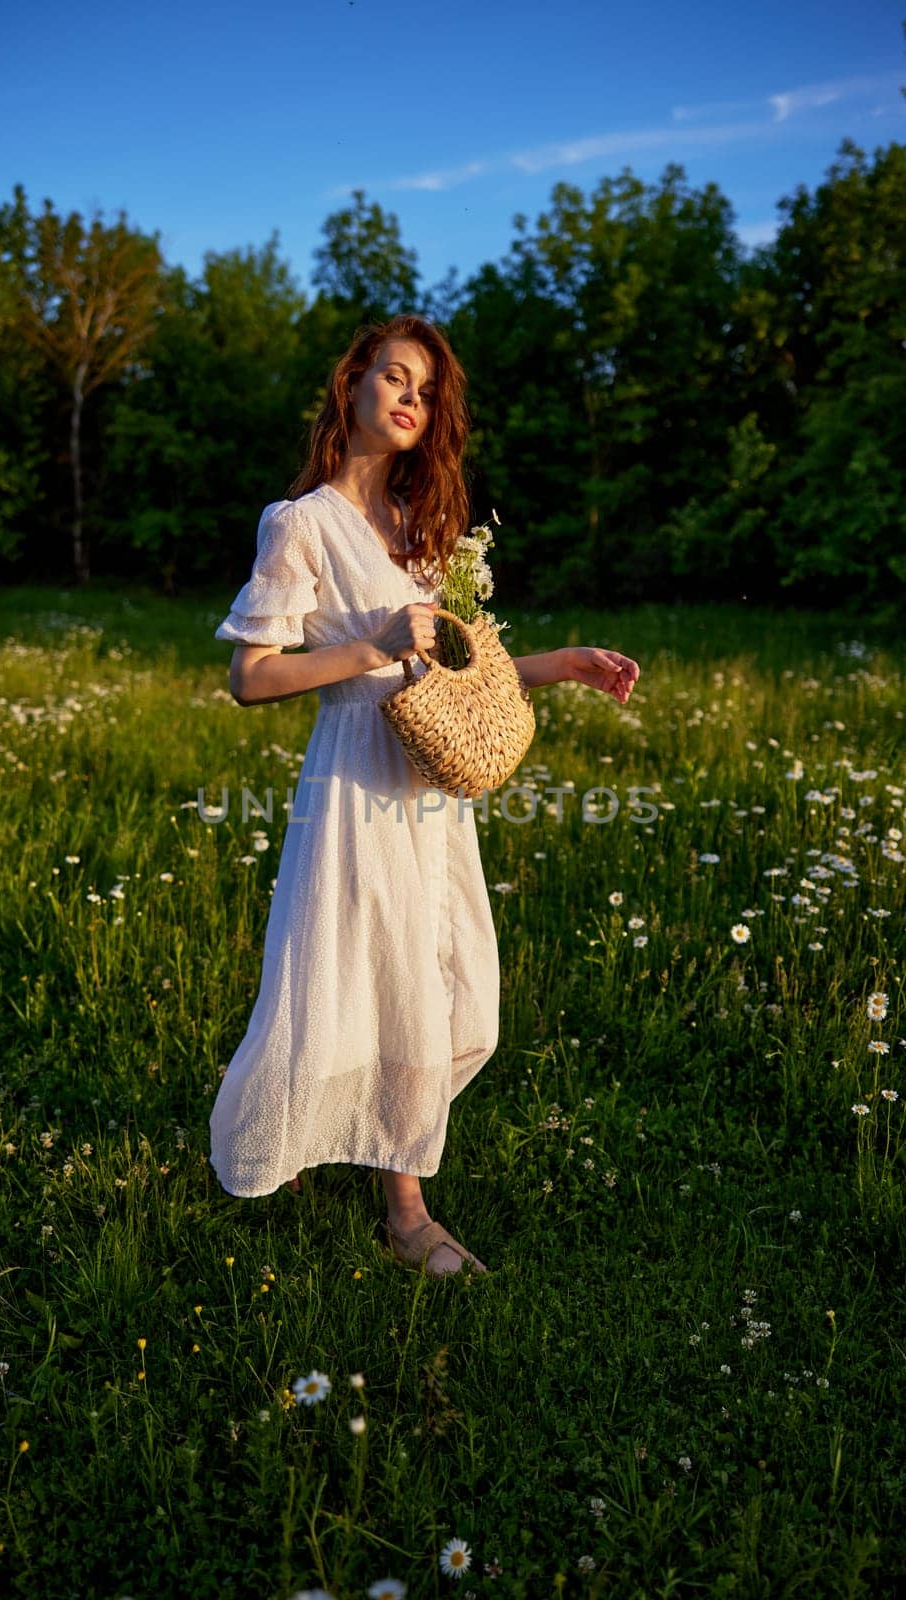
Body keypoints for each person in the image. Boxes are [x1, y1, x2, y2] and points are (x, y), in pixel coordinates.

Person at [209, 313, 639, 1277]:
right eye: (394, 377)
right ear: (350, 385)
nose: (411, 397)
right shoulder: (300, 523)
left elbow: (455, 678)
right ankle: (407, 1212)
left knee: (458, 998)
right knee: (373, 985)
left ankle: (378, 1146)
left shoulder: (423, 529)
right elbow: (250, 677)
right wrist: (374, 646)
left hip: (433, 794)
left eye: (427, 390)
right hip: (357, 779)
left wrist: (563, 663)